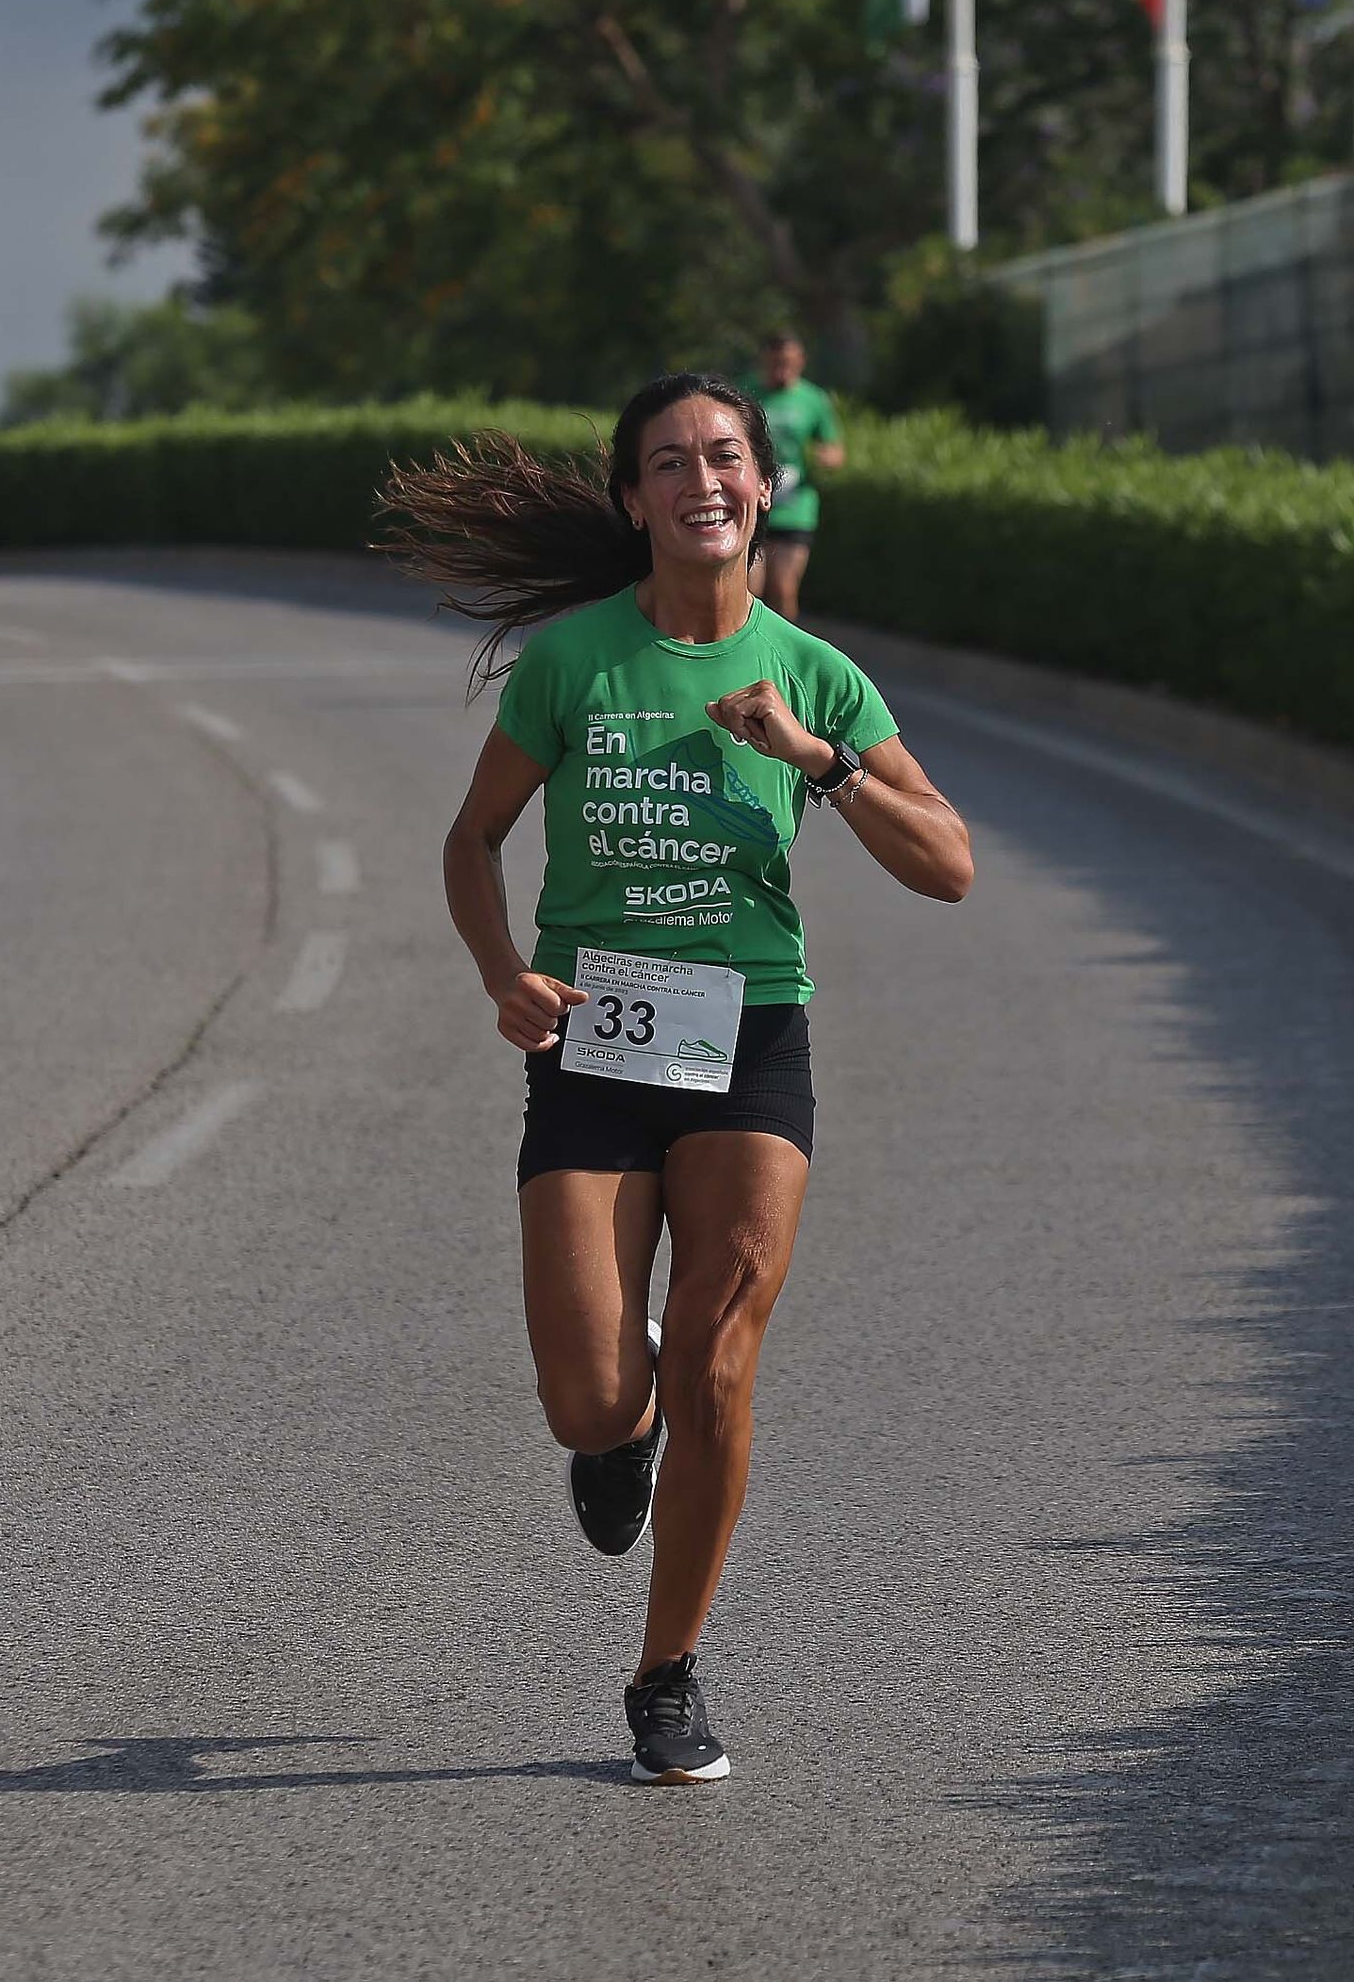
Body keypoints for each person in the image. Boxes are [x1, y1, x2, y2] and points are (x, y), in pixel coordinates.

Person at [385, 372, 972, 1785]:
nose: (700, 478)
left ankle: (667, 1672)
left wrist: (816, 759)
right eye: (668, 461)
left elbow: (949, 862)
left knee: (716, 1352)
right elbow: (472, 840)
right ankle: (618, 1433)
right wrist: (498, 973)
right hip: (593, 1040)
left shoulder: (818, 675)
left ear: (765, 485)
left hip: (752, 1039)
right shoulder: (575, 663)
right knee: (593, 1396)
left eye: (723, 456)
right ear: (635, 498)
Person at [745, 331, 844, 625]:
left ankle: (786, 657)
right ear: (764, 360)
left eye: (788, 363)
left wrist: (828, 457)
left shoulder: (812, 399)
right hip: (753, 503)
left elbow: (836, 449)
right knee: (750, 589)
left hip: (795, 506)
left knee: (784, 589)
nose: (781, 370)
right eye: (775, 362)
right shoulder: (744, 391)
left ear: (800, 362)